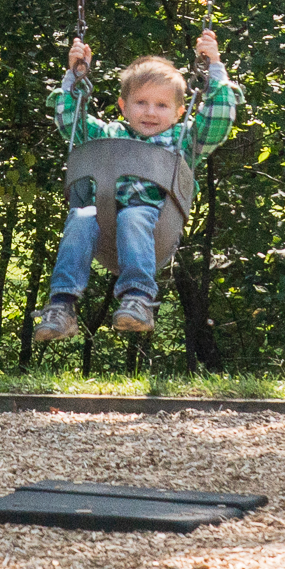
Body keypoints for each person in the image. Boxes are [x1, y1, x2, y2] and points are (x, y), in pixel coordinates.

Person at [32, 29, 240, 344]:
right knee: (80, 215)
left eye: (161, 105)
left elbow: (217, 122)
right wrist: (72, 77)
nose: (150, 112)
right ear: (123, 106)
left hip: (155, 227)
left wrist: (214, 67)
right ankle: (62, 305)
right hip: (104, 226)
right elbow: (70, 123)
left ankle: (138, 299)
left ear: (179, 112)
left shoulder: (183, 140)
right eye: (140, 102)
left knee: (133, 215)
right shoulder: (109, 134)